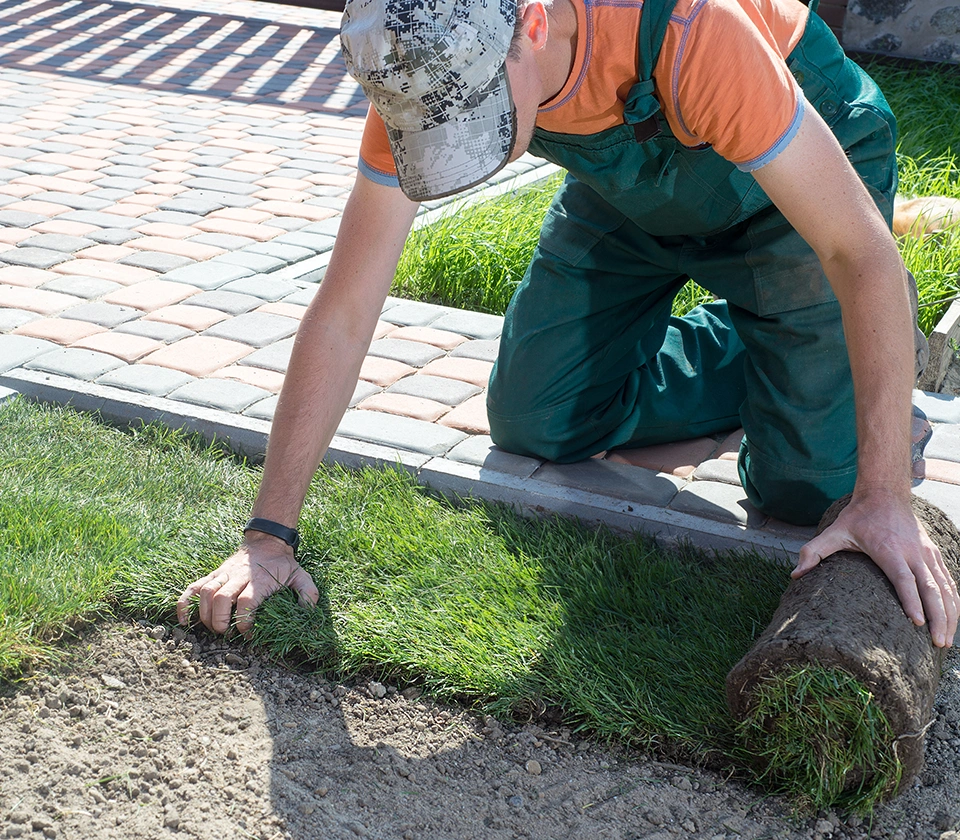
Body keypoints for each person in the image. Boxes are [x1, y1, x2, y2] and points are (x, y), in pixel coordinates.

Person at [177, 0, 959, 647]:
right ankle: (793, 351)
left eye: (477, 121)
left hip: (797, 177)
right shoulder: (421, 67)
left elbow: (859, 252)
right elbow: (346, 308)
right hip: (632, 190)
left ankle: (843, 367)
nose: (459, 153)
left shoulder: (694, 31)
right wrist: (269, 534)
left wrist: (883, 492)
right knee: (536, 419)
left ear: (536, 26)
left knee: (808, 489)